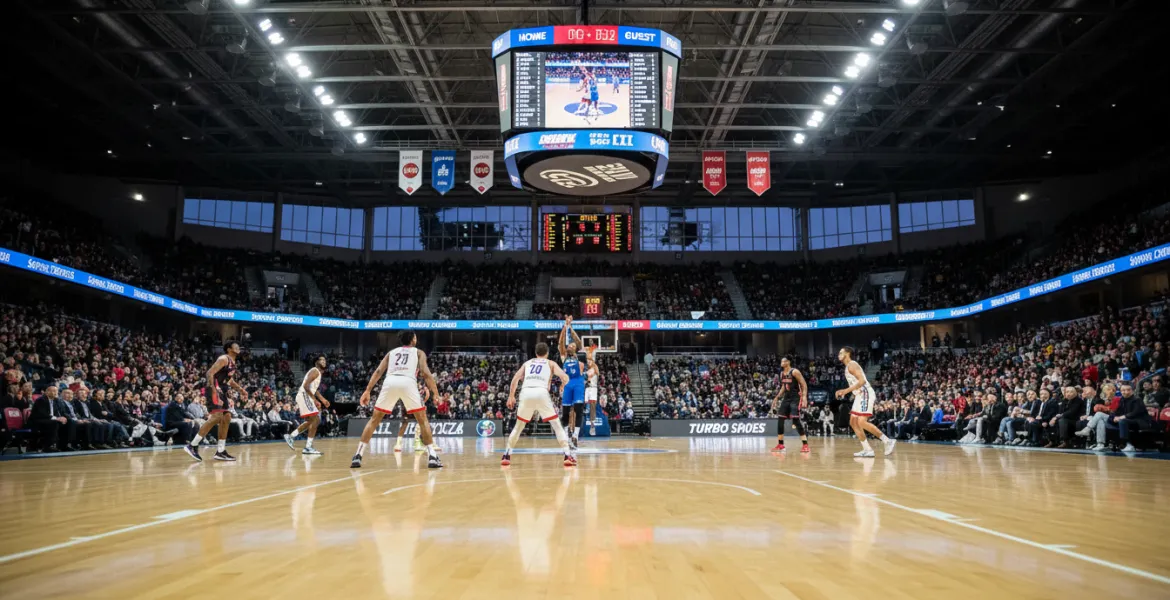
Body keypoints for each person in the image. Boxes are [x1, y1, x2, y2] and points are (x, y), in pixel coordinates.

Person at [351, 330, 443, 469]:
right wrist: (436, 393)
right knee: (422, 420)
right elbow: (425, 373)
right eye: (415, 337)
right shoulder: (419, 352)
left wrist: (368, 390)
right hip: (407, 381)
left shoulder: (391, 353)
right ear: (412, 340)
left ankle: (358, 455)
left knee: (374, 419)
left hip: (390, 382)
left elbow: (378, 371)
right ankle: (432, 456)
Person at [501, 342, 574, 467]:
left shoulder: (527, 363)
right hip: (541, 393)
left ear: (535, 353)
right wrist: (562, 385)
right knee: (556, 425)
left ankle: (507, 454)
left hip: (526, 392)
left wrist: (511, 396)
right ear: (547, 353)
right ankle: (567, 455)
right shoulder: (550, 363)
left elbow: (515, 378)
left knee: (519, 426)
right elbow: (565, 377)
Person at [184, 341, 247, 463]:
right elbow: (209, 373)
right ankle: (192, 445)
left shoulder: (232, 362)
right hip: (214, 388)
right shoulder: (224, 358)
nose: (238, 347)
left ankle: (221, 451)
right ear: (229, 349)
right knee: (217, 417)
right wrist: (213, 391)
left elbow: (229, 380)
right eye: (235, 345)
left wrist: (241, 390)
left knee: (227, 417)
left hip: (222, 390)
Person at [835, 346, 894, 457]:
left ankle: (888, 441)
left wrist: (845, 391)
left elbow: (862, 381)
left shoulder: (852, 365)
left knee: (862, 422)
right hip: (859, 395)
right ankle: (867, 449)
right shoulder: (848, 366)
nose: (838, 354)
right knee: (853, 422)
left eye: (840, 352)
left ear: (847, 353)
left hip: (865, 393)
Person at [285, 355, 330, 455]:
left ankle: (291, 436)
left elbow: (314, 389)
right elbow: (306, 386)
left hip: (305, 396)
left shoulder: (317, 373)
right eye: (321, 360)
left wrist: (322, 399)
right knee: (316, 419)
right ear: (316, 362)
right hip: (304, 395)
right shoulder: (315, 371)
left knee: (311, 421)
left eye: (325, 360)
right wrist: (314, 400)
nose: (324, 361)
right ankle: (308, 447)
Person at [770, 356, 809, 453]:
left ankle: (805, 445)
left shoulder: (795, 372)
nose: (782, 362)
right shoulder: (782, 373)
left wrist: (804, 397)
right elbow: (783, 386)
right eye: (781, 361)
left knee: (795, 420)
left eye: (784, 361)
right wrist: (777, 397)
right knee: (780, 418)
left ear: (788, 362)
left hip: (795, 397)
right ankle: (780, 444)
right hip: (786, 398)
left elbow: (804, 384)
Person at [558, 316, 586, 449]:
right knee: (565, 412)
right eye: (570, 344)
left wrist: (571, 327)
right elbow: (561, 342)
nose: (571, 345)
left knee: (579, 410)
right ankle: (566, 435)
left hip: (579, 384)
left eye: (573, 345)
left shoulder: (580, 355)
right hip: (568, 385)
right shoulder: (563, 356)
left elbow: (579, 342)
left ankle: (575, 435)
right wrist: (565, 326)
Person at [585, 345, 601, 436]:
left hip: (593, 388)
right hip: (587, 388)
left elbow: (593, 363)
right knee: (581, 404)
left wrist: (592, 350)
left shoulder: (595, 368)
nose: (588, 361)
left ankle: (592, 426)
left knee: (592, 407)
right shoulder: (586, 368)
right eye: (587, 360)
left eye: (590, 360)